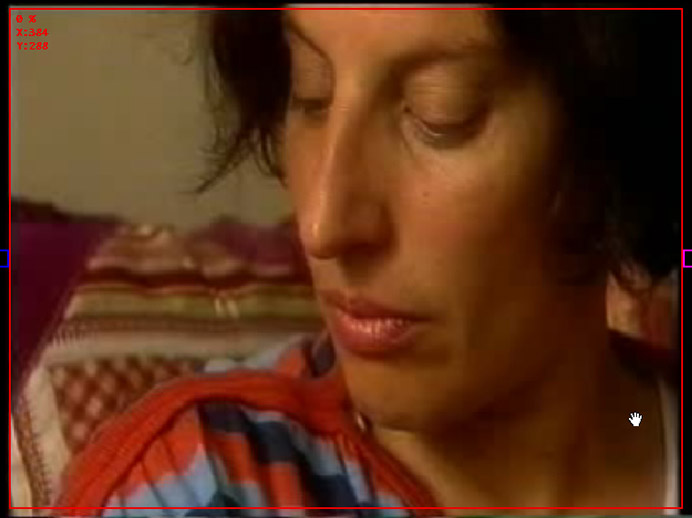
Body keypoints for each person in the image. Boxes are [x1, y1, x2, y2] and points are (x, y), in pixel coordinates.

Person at [55, 6, 680, 515]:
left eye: (439, 113)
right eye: (311, 93)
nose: (323, 223)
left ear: (610, 141)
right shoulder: (199, 487)